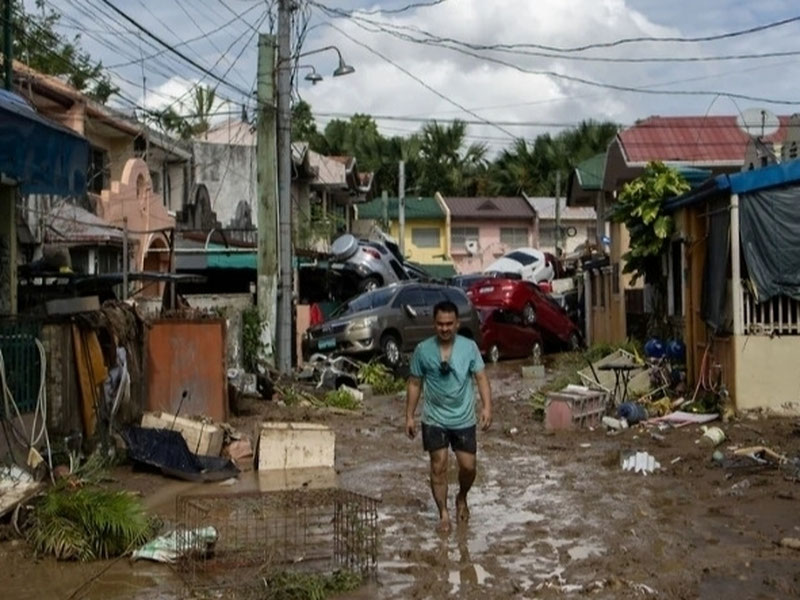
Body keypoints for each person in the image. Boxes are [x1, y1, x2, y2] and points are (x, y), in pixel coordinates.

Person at [405, 300, 492, 533]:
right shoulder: (423, 350)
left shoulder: (469, 347)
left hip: (463, 418)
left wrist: (486, 407)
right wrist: (410, 416)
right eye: (440, 324)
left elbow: (481, 377)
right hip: (434, 418)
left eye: (449, 324)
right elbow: (414, 383)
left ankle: (462, 496)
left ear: (457, 324)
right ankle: (443, 513)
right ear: (434, 324)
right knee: (438, 465)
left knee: (468, 467)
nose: (445, 329)